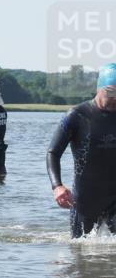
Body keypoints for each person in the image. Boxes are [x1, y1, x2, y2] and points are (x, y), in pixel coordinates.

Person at [47, 64, 116, 238]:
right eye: (111, 92)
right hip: (85, 201)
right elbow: (53, 153)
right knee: (80, 255)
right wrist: (57, 186)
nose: (115, 98)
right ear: (99, 89)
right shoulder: (77, 115)